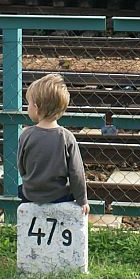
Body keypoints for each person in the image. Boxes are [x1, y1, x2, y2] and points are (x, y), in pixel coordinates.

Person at [17, 73, 90, 215]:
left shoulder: (26, 135)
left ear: (37, 107)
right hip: (59, 196)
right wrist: (82, 200)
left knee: (20, 189)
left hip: (30, 194)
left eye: (28, 104)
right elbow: (76, 172)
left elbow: (21, 166)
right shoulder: (67, 137)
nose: (27, 107)